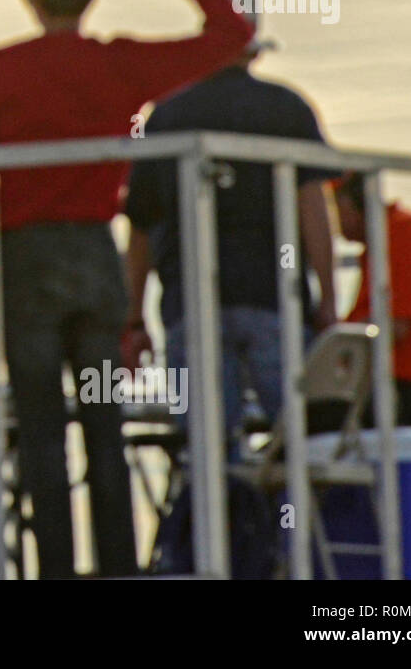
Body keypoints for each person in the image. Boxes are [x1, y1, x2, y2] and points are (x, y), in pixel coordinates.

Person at [0, 0, 254, 579]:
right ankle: (120, 566)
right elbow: (233, 35)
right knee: (103, 425)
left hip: (25, 264)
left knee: (40, 433)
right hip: (95, 261)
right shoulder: (116, 65)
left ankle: (56, 570)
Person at [121, 30, 339, 457]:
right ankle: (299, 519)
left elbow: (141, 228)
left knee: (208, 451)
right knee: (303, 444)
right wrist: (328, 301)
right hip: (275, 297)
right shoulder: (286, 108)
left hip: (191, 304)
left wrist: (133, 318)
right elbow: (313, 210)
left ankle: (221, 520)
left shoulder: (166, 116)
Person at [331, 171, 411, 427]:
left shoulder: (403, 233)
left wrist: (329, 352)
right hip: (398, 382)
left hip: (406, 386)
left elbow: (396, 323)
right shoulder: (392, 235)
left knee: (307, 422)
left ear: (346, 202)